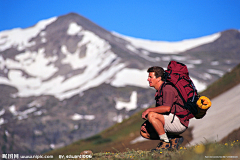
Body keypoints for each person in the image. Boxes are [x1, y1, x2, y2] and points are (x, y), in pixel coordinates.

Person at [140, 66, 188, 151]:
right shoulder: (160, 90)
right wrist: (147, 124)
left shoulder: (167, 88)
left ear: (158, 78)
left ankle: (165, 143)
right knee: (144, 132)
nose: (148, 79)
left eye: (150, 77)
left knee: (151, 115)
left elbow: (167, 109)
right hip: (170, 120)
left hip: (179, 122)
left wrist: (148, 110)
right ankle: (173, 139)